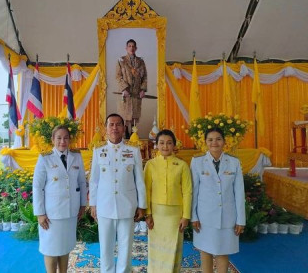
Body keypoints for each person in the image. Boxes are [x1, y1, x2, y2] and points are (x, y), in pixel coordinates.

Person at [89, 113, 146, 273]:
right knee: (106, 247)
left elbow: (139, 180)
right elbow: (94, 180)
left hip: (127, 206)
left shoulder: (133, 151)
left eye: (118, 124)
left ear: (124, 128)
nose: (114, 127)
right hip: (104, 206)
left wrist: (141, 205)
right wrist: (93, 204)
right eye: (111, 124)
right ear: (106, 129)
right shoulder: (98, 150)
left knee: (126, 246)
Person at [33, 125, 87, 273]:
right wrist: (40, 213)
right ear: (52, 139)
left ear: (70, 140)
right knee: (50, 248)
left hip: (71, 212)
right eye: (59, 138)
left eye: (65, 138)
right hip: (51, 214)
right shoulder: (45, 158)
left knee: (65, 246)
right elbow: (37, 187)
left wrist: (83, 205)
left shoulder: (76, 156)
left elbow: (82, 182)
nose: (62, 141)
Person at [191, 127, 245, 273]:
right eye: (210, 139)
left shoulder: (234, 162)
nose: (214, 142)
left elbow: (239, 192)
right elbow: (194, 192)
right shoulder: (197, 162)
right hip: (204, 217)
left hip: (227, 216)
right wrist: (193, 216)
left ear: (224, 142)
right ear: (205, 142)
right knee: (205, 250)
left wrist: (241, 220)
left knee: (223, 251)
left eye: (218, 139)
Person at [144, 129, 192, 272]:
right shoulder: (150, 164)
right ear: (156, 145)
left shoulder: (182, 165)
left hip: (175, 215)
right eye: (162, 143)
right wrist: (148, 213)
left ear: (174, 145)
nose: (165, 146)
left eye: (169, 143)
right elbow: (147, 190)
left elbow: (187, 191)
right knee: (157, 250)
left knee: (173, 248)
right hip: (156, 214)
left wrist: (186, 216)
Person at [116, 39, 148, 138]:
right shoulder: (121, 61)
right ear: (126, 48)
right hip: (126, 94)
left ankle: (134, 138)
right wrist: (124, 89)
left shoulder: (141, 62)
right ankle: (125, 137)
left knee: (134, 118)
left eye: (133, 46)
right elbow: (118, 76)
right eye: (129, 46)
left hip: (136, 94)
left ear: (136, 48)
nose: (131, 48)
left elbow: (145, 77)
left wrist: (142, 90)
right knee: (125, 118)